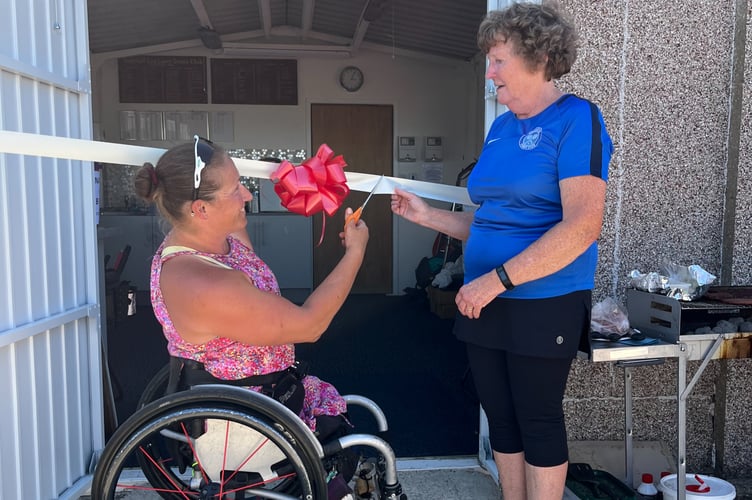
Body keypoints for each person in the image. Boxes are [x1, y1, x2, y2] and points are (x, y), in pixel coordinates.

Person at [391, 3, 613, 499]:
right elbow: (490, 221)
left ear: (538, 58)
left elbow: (583, 226)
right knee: (501, 416)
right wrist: (426, 216)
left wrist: (495, 281)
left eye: (497, 60)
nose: (489, 73)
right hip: (485, 296)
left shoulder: (578, 119)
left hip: (544, 297)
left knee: (536, 417)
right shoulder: (501, 129)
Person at [133, 136, 368, 494]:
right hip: (250, 420)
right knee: (356, 443)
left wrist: (294, 177)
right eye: (235, 189)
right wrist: (355, 254)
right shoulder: (202, 284)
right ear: (201, 208)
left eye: (243, 182)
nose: (246, 194)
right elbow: (310, 325)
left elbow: (230, 211)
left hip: (271, 392)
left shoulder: (213, 237)